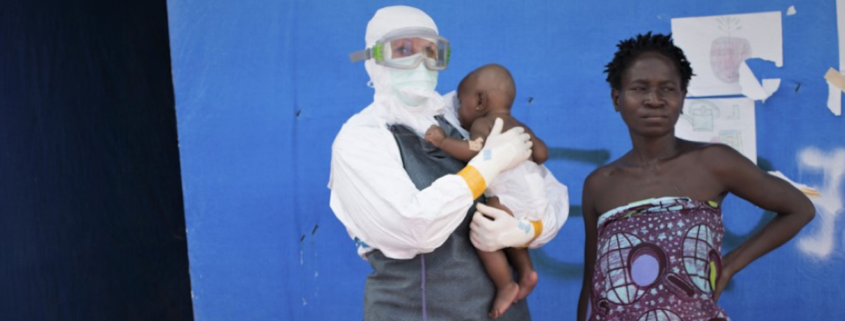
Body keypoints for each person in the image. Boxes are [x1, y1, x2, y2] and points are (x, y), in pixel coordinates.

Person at [330, 6, 569, 321]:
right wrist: (486, 166)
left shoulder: (460, 118)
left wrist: (526, 228)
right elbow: (413, 229)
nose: (420, 63)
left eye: (431, 51)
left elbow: (548, 194)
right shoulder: (361, 139)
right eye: (403, 50)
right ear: (374, 59)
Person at [576, 32, 815, 321]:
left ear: (683, 97)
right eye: (639, 88)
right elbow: (593, 279)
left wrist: (729, 266)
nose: (654, 100)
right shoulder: (600, 183)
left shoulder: (714, 162)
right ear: (617, 98)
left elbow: (799, 209)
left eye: (667, 89)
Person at [424, 64, 548, 319]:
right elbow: (542, 154)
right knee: (511, 236)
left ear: (480, 100)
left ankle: (506, 284)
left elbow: (474, 150)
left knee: (484, 233)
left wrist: (443, 141)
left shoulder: (484, 123)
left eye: (460, 103)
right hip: (536, 202)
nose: (457, 112)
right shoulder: (520, 126)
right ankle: (527, 272)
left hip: (507, 198)